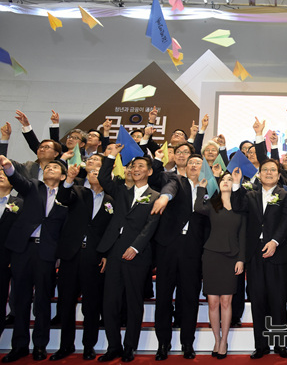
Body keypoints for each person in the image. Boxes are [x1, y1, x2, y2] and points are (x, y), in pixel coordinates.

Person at [0, 156, 68, 362]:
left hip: (46, 253)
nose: (50, 168)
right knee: (20, 301)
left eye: (55, 167)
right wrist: (8, 167)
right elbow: (17, 179)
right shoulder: (33, 187)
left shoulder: (67, 196)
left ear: (63, 176)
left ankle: (40, 345)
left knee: (42, 301)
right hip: (23, 249)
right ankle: (19, 346)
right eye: (48, 167)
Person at [96, 150, 161, 363]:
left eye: (141, 166)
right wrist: (109, 157)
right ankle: (113, 346)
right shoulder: (121, 191)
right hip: (115, 250)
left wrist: (135, 247)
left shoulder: (156, 196)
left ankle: (129, 347)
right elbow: (103, 178)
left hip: (138, 254)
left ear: (149, 172)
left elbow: (151, 226)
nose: (136, 169)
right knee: (110, 302)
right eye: (133, 166)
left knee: (134, 302)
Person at [149, 154, 210, 360]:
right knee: (163, 297)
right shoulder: (176, 180)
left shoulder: (210, 189)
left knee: (190, 298)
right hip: (169, 247)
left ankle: (187, 343)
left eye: (198, 163)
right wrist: (164, 198)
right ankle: (163, 343)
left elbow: (216, 214)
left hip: (193, 249)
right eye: (191, 162)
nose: (193, 165)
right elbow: (169, 189)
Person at [231, 160, 287, 359]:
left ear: (278, 175)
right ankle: (261, 345)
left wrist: (275, 241)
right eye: (264, 170)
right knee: (258, 300)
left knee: (278, 300)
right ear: (259, 174)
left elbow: (286, 221)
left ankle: (280, 345)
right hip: (254, 253)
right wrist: (236, 184)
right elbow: (236, 206)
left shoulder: (286, 195)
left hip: (277, 252)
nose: (268, 172)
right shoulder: (250, 194)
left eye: (272, 170)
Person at [51, 165, 113, 361]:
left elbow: (111, 230)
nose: (95, 174)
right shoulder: (77, 192)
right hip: (71, 255)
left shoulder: (111, 200)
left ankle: (88, 346)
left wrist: (106, 254)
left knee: (91, 305)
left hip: (94, 258)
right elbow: (62, 198)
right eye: (92, 172)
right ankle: (66, 346)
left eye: (100, 172)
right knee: (66, 303)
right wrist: (69, 179)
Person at [195, 172, 246, 360]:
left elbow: (243, 236)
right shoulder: (212, 205)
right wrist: (201, 189)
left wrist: (241, 259)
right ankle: (216, 340)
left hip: (232, 257)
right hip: (211, 256)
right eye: (223, 180)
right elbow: (198, 207)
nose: (225, 182)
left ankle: (224, 340)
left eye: (229, 180)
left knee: (226, 301)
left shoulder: (240, 207)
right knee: (213, 302)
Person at [0, 169, 22, 340]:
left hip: (4, 258)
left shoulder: (19, 203)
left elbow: (20, 233)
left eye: (4, 174)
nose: (1, 175)